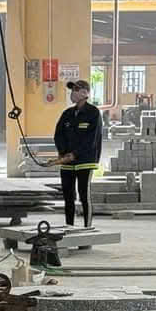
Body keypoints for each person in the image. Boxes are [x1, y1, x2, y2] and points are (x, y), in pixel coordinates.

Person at [53, 78, 102, 229]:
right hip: (67, 163)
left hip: (85, 162)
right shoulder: (67, 114)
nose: (72, 94)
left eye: (75, 90)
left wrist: (75, 154)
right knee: (68, 197)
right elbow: (58, 135)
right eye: (72, 90)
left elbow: (91, 140)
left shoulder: (93, 113)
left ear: (84, 93)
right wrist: (63, 153)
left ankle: (87, 228)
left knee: (84, 196)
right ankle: (69, 227)